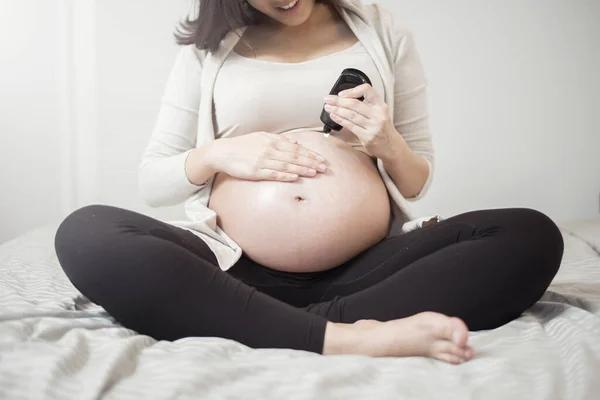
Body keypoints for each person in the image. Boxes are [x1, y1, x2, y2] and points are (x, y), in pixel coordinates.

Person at [54, 0, 564, 364]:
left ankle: (261, 318)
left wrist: (385, 141)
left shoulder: (383, 31)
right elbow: (153, 182)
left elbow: (416, 181)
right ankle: (346, 335)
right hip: (232, 265)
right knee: (86, 232)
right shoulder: (207, 50)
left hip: (368, 268)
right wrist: (217, 153)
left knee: (530, 234)